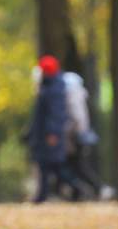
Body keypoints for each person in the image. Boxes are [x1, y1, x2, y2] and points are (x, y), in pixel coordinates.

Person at [28, 55, 82, 203]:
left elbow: (56, 113)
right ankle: (42, 195)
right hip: (44, 132)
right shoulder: (48, 86)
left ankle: (75, 187)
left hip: (50, 134)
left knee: (54, 166)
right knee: (46, 165)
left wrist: (53, 133)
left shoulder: (54, 88)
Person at [62, 72, 112, 199]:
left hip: (74, 136)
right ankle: (78, 192)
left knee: (77, 166)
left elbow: (77, 117)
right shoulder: (79, 95)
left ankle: (96, 188)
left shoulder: (73, 96)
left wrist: (74, 131)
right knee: (76, 165)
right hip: (77, 135)